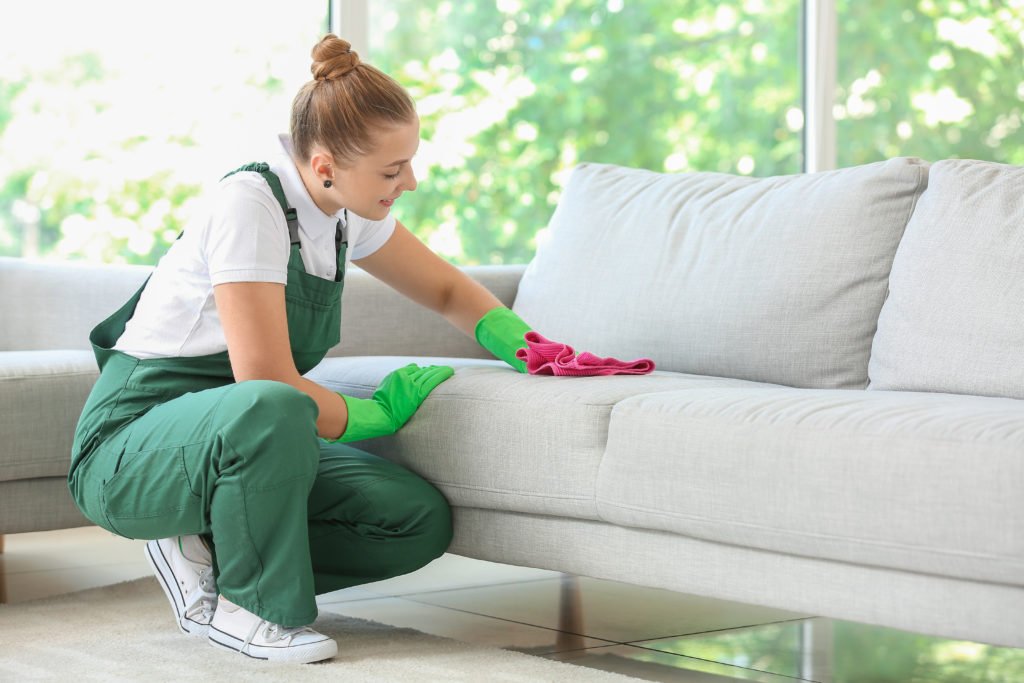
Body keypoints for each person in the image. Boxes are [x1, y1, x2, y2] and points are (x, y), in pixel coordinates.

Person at [67, 34, 543, 665]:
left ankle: (207, 548)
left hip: (254, 437)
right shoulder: (250, 204)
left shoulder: (347, 207)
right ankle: (252, 610)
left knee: (411, 519)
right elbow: (264, 377)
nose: (411, 182)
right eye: (393, 171)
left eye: (409, 163)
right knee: (272, 404)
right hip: (131, 451)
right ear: (324, 165)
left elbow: (449, 289)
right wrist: (376, 414)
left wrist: (534, 348)